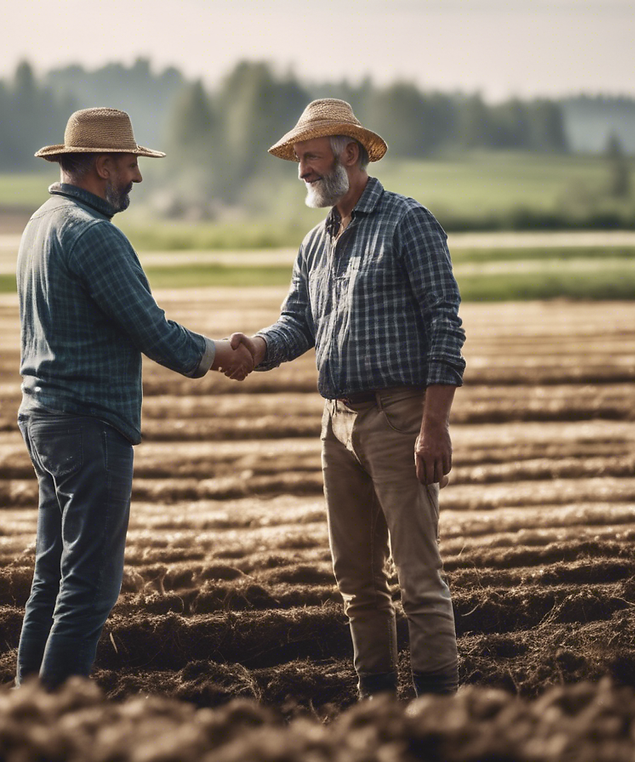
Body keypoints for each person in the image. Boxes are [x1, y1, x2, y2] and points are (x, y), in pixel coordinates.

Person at [231, 99, 466, 699]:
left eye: (310, 156)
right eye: (299, 160)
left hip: (399, 416)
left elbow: (445, 324)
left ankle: (440, 715)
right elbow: (298, 324)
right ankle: (378, 708)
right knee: (356, 580)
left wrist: (433, 425)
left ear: (350, 153)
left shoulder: (407, 221)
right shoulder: (315, 243)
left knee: (418, 578)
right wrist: (257, 347)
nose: (303, 170)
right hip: (337, 424)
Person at [16, 107, 253, 689]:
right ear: (102, 166)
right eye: (129, 165)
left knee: (53, 573)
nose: (137, 178)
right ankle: (56, 716)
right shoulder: (95, 236)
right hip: (89, 425)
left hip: (44, 417)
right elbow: (152, 330)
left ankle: (25, 707)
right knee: (91, 583)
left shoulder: (41, 222)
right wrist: (221, 353)